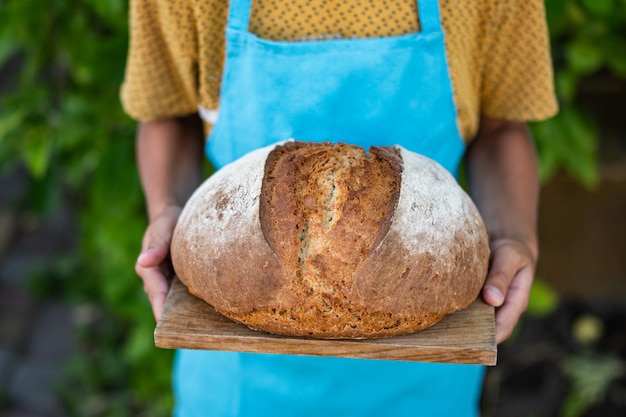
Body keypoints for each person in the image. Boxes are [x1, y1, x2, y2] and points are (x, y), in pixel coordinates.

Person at [122, 0, 558, 415]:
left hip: (427, 350)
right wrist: (166, 209)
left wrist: (513, 234)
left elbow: (501, 126)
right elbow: (168, 113)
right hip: (236, 371)